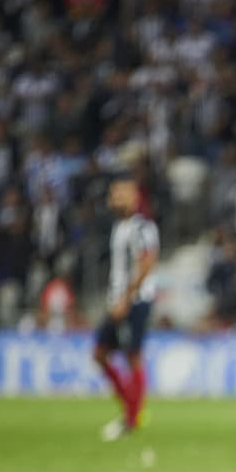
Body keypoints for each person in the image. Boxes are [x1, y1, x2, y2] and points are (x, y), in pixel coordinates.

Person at [93, 179, 159, 442]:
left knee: (133, 356)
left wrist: (126, 299)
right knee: (99, 354)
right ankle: (131, 408)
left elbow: (146, 264)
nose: (115, 199)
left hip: (136, 300)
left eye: (120, 194)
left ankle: (132, 418)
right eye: (113, 194)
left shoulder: (143, 226)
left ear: (134, 197)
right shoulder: (119, 227)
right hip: (118, 299)